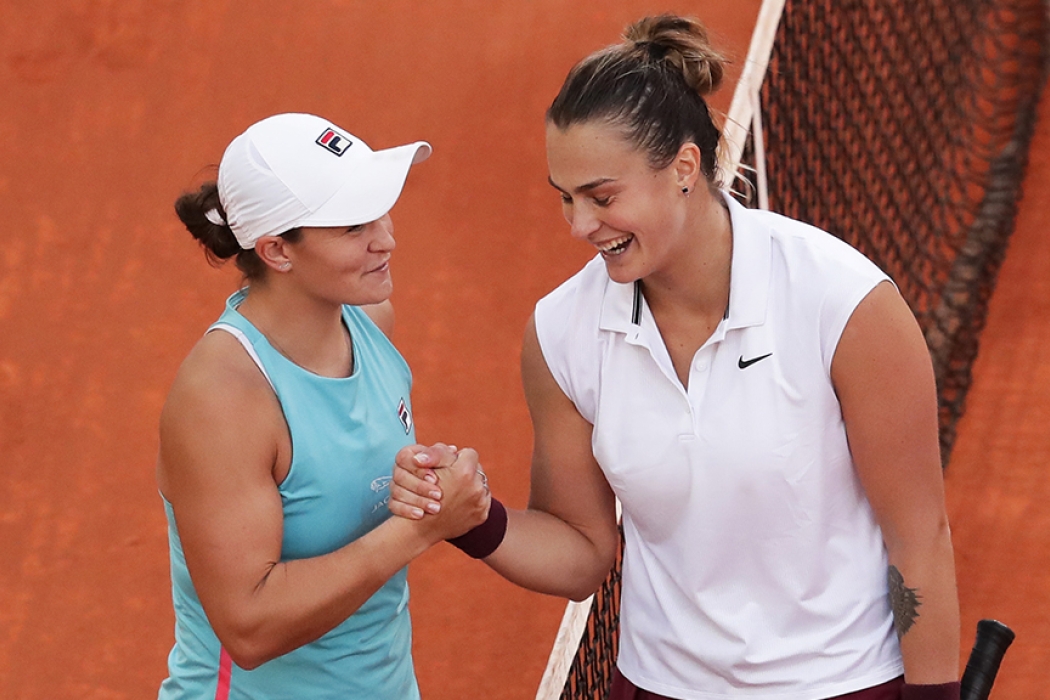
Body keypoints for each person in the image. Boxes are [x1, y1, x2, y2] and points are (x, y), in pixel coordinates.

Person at [390, 15, 962, 700]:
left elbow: (918, 537)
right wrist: (474, 519)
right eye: (565, 199)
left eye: (603, 196)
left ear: (684, 168)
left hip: (840, 685)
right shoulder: (562, 333)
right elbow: (581, 553)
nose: (579, 226)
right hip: (660, 686)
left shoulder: (843, 302)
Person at [156, 113, 490, 700]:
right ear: (278, 251)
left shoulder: (369, 323)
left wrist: (418, 483)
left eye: (379, 213)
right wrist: (419, 530)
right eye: (354, 226)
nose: (386, 238)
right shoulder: (223, 399)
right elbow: (249, 627)